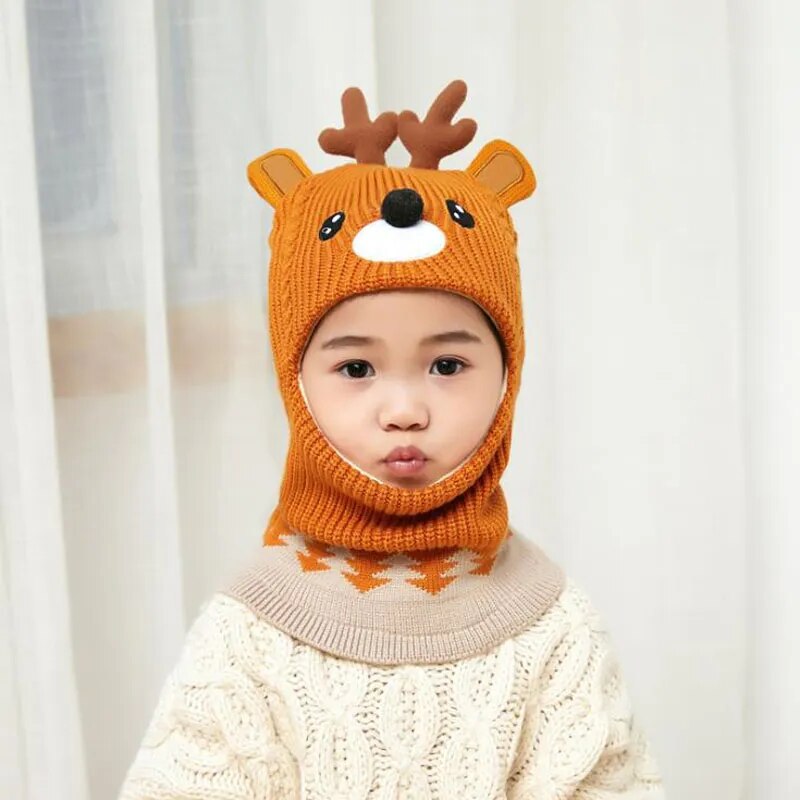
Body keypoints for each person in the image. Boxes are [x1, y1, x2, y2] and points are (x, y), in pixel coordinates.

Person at [119, 80, 666, 799]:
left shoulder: (551, 621)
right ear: (294, 378)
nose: (405, 411)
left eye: (448, 365)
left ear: (509, 372)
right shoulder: (251, 627)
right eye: (356, 368)